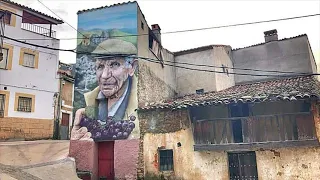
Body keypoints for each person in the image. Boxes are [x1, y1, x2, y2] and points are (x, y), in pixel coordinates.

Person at [71, 39, 139, 141]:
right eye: (100, 66)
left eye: (115, 64)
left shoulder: (144, 102)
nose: (104, 75)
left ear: (132, 67)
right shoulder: (89, 103)